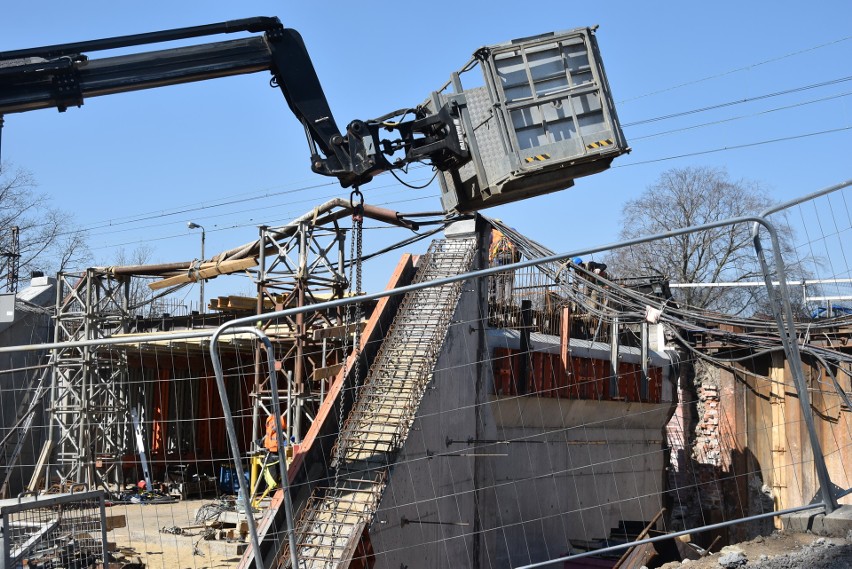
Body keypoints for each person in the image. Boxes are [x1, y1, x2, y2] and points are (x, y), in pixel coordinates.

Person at [489, 225, 521, 308]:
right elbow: (519, 244)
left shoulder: (492, 232)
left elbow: (488, 246)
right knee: (508, 280)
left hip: (498, 257)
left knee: (499, 279)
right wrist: (517, 260)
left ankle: (499, 301)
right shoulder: (511, 230)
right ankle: (507, 301)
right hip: (509, 256)